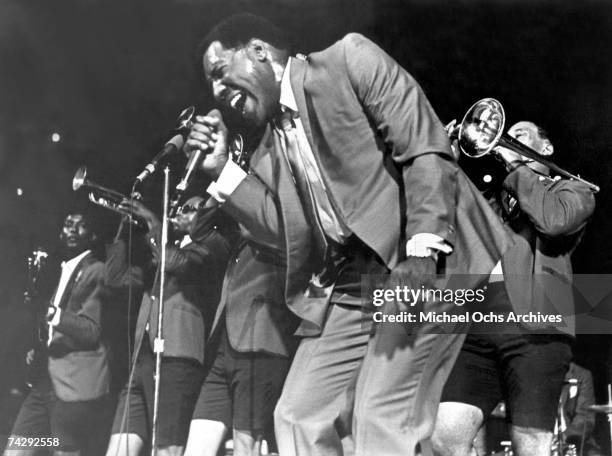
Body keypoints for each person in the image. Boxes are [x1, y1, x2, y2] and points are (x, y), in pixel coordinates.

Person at [184, 13, 513, 456]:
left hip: (425, 260)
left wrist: (420, 250)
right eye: (212, 86)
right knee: (297, 414)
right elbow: (286, 230)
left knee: (380, 417)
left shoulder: (347, 60)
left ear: (258, 51)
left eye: (220, 74)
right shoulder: (269, 140)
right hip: (354, 277)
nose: (217, 93)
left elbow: (425, 148)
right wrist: (221, 171)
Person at [432, 121, 597, 456]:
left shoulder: (574, 191)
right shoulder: (497, 198)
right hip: (475, 328)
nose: (504, 137)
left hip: (536, 328)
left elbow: (554, 221)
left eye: (519, 135)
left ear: (546, 148)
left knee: (529, 444)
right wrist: (446, 157)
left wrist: (514, 164)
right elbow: (448, 211)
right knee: (444, 436)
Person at [183, 134, 299, 456]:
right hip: (225, 344)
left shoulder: (282, 224)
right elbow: (198, 230)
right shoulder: (237, 239)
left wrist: (241, 183)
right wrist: (221, 175)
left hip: (261, 342)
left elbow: (271, 226)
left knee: (247, 447)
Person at [105, 196, 235, 456]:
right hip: (141, 358)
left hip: (176, 358)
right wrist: (124, 228)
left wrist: (153, 220)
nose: (180, 212)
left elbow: (174, 262)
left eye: (189, 209)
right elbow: (115, 277)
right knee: (118, 451)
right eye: (180, 208)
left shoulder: (214, 244)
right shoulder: (164, 247)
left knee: (166, 450)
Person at [5, 211, 114, 456]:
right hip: (45, 382)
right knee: (16, 450)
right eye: (67, 225)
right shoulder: (64, 268)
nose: (73, 230)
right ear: (60, 232)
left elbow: (91, 330)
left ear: (93, 235)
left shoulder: (96, 270)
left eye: (81, 225)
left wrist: (53, 313)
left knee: (64, 452)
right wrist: (41, 346)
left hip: (72, 385)